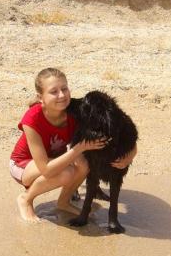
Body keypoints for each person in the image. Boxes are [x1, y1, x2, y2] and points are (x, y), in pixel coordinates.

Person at [10, 68, 136, 223]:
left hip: (55, 159)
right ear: (40, 97)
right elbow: (46, 170)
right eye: (53, 91)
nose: (61, 95)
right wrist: (80, 148)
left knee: (84, 164)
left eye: (64, 89)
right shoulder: (32, 118)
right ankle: (26, 199)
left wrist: (131, 154)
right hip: (24, 164)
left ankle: (64, 202)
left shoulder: (73, 112)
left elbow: (121, 128)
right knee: (67, 172)